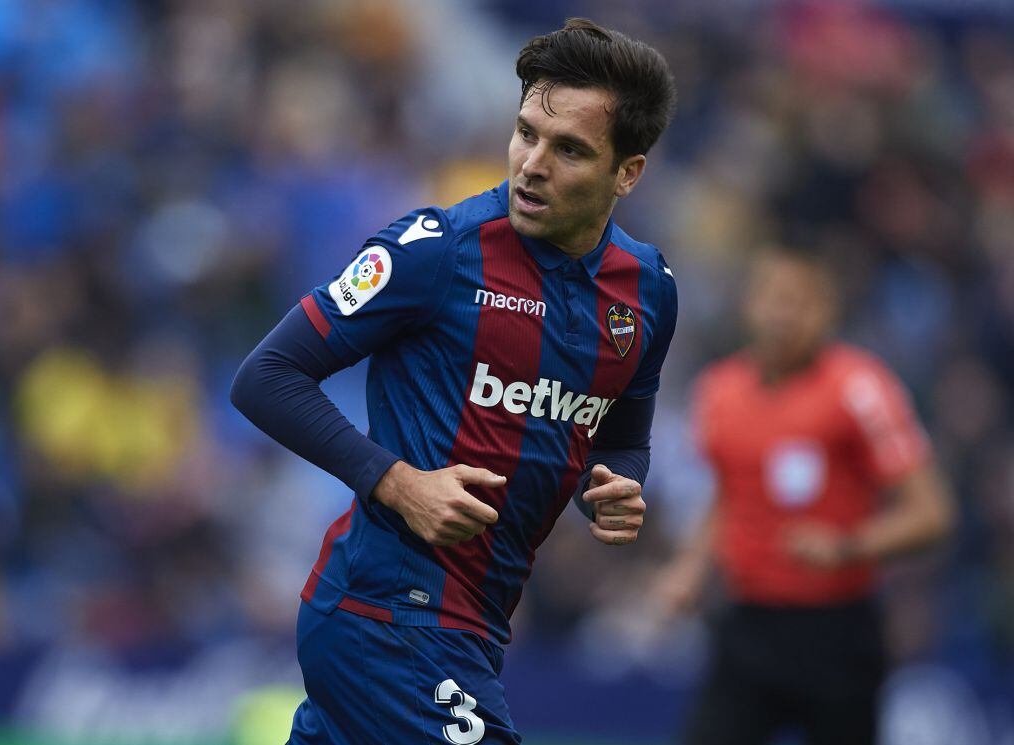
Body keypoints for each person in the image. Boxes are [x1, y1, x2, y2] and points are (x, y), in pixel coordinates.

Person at [229, 18, 679, 745]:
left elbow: (625, 429)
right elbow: (266, 376)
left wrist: (619, 482)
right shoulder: (436, 252)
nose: (531, 163)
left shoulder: (649, 292)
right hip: (388, 614)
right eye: (526, 131)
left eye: (569, 149)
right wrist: (398, 481)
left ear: (627, 172)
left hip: (473, 627)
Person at [656, 247, 954, 745]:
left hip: (837, 631)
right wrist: (690, 567)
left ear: (828, 311)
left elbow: (932, 513)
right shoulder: (719, 391)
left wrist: (847, 547)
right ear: (749, 305)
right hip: (748, 625)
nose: (783, 315)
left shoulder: (861, 389)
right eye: (773, 298)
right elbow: (727, 492)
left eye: (800, 302)